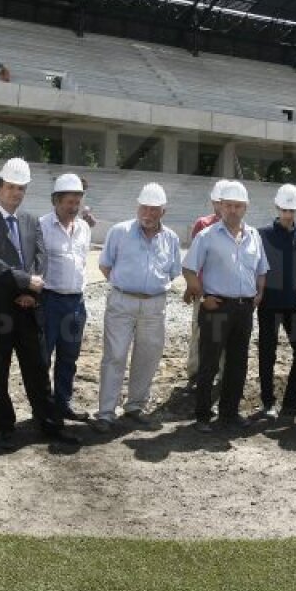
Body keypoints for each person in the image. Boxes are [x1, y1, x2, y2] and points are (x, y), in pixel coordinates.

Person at [0, 158, 77, 449]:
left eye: (22, 189)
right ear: (0, 187)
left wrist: (33, 291)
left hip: (29, 308)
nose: (16, 193)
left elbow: (41, 258)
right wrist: (24, 281)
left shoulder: (31, 221)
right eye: (12, 187)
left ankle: (48, 422)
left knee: (37, 368)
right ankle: (5, 426)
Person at [93, 183, 182, 432]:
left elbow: (173, 271)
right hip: (122, 300)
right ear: (137, 207)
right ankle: (106, 413)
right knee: (115, 355)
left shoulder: (171, 238)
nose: (148, 214)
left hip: (154, 305)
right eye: (145, 208)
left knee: (148, 356)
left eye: (154, 210)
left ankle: (134, 406)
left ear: (163, 212)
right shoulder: (119, 232)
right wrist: (125, 288)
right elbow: (105, 266)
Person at [182, 180, 268, 432]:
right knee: (209, 363)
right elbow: (188, 269)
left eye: (237, 206)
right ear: (220, 206)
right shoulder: (207, 236)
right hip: (217, 309)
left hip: (244, 310)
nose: (232, 210)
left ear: (245, 208)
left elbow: (261, 269)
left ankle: (229, 413)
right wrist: (203, 297)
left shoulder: (254, 237)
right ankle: (203, 416)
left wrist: (259, 292)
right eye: (228, 205)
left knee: (238, 362)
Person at [257, 184, 296, 418]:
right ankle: (267, 403)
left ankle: (291, 401)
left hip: (293, 303)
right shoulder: (262, 234)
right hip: (269, 303)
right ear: (277, 207)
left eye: (292, 211)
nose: (288, 215)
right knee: (267, 353)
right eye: (284, 210)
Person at [39, 174, 92, 422]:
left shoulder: (83, 228)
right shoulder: (42, 226)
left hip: (75, 303)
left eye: (77, 202)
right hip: (49, 301)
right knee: (43, 357)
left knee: (69, 358)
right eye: (68, 202)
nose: (73, 207)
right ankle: (43, 409)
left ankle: (63, 404)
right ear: (56, 201)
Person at [184, 179, 227, 390]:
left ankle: (220, 372)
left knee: (221, 334)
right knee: (199, 331)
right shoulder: (203, 224)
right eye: (218, 202)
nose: (221, 206)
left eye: (224, 202)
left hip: (224, 292)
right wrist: (193, 287)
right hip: (203, 290)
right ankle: (194, 370)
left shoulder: (238, 229)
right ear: (213, 202)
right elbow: (194, 260)